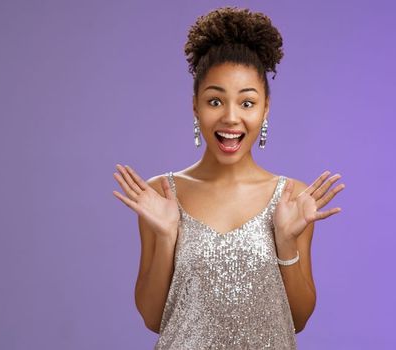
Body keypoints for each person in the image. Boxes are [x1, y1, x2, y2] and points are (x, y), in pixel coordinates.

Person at [111, 6, 345, 349]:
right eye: (215, 101)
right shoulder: (160, 192)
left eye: (247, 103)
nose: (231, 118)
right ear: (195, 106)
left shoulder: (292, 197)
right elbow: (152, 318)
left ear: (265, 108)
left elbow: (298, 320)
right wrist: (165, 237)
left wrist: (285, 241)